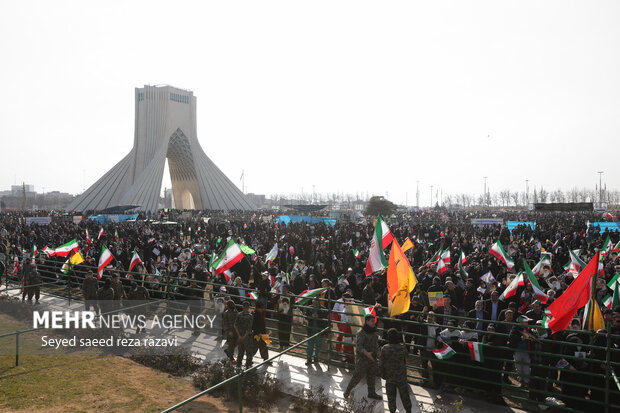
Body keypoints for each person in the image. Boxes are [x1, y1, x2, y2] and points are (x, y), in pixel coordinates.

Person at [343, 313, 382, 400]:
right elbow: (359, 347)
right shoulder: (361, 333)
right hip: (363, 360)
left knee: (372, 376)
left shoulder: (374, 332)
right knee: (357, 377)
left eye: (374, 321)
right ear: (367, 321)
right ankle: (347, 392)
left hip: (372, 358)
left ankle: (371, 393)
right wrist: (367, 354)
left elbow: (376, 343)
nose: (374, 323)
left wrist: (378, 350)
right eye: (372, 321)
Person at [379, 328, 412, 413]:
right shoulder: (402, 347)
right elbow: (406, 357)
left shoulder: (385, 349)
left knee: (391, 397)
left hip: (390, 377)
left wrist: (383, 375)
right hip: (401, 377)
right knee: (405, 396)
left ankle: (392, 411)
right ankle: (408, 410)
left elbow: (381, 364)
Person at [305, 297, 329, 365]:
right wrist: (311, 316)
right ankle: (309, 358)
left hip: (319, 330)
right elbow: (306, 316)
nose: (314, 304)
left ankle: (316, 357)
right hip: (311, 329)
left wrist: (319, 316)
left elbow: (325, 318)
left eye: (316, 303)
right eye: (313, 303)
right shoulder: (309, 308)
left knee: (318, 345)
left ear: (319, 303)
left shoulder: (323, 309)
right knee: (310, 345)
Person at [234, 301, 254, 368]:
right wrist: (244, 337)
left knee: (240, 352)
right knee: (249, 353)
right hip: (247, 337)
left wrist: (239, 336)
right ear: (249, 307)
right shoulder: (250, 316)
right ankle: (248, 366)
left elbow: (235, 326)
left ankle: (238, 365)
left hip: (239, 336)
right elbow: (249, 329)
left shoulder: (239, 314)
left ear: (243, 307)